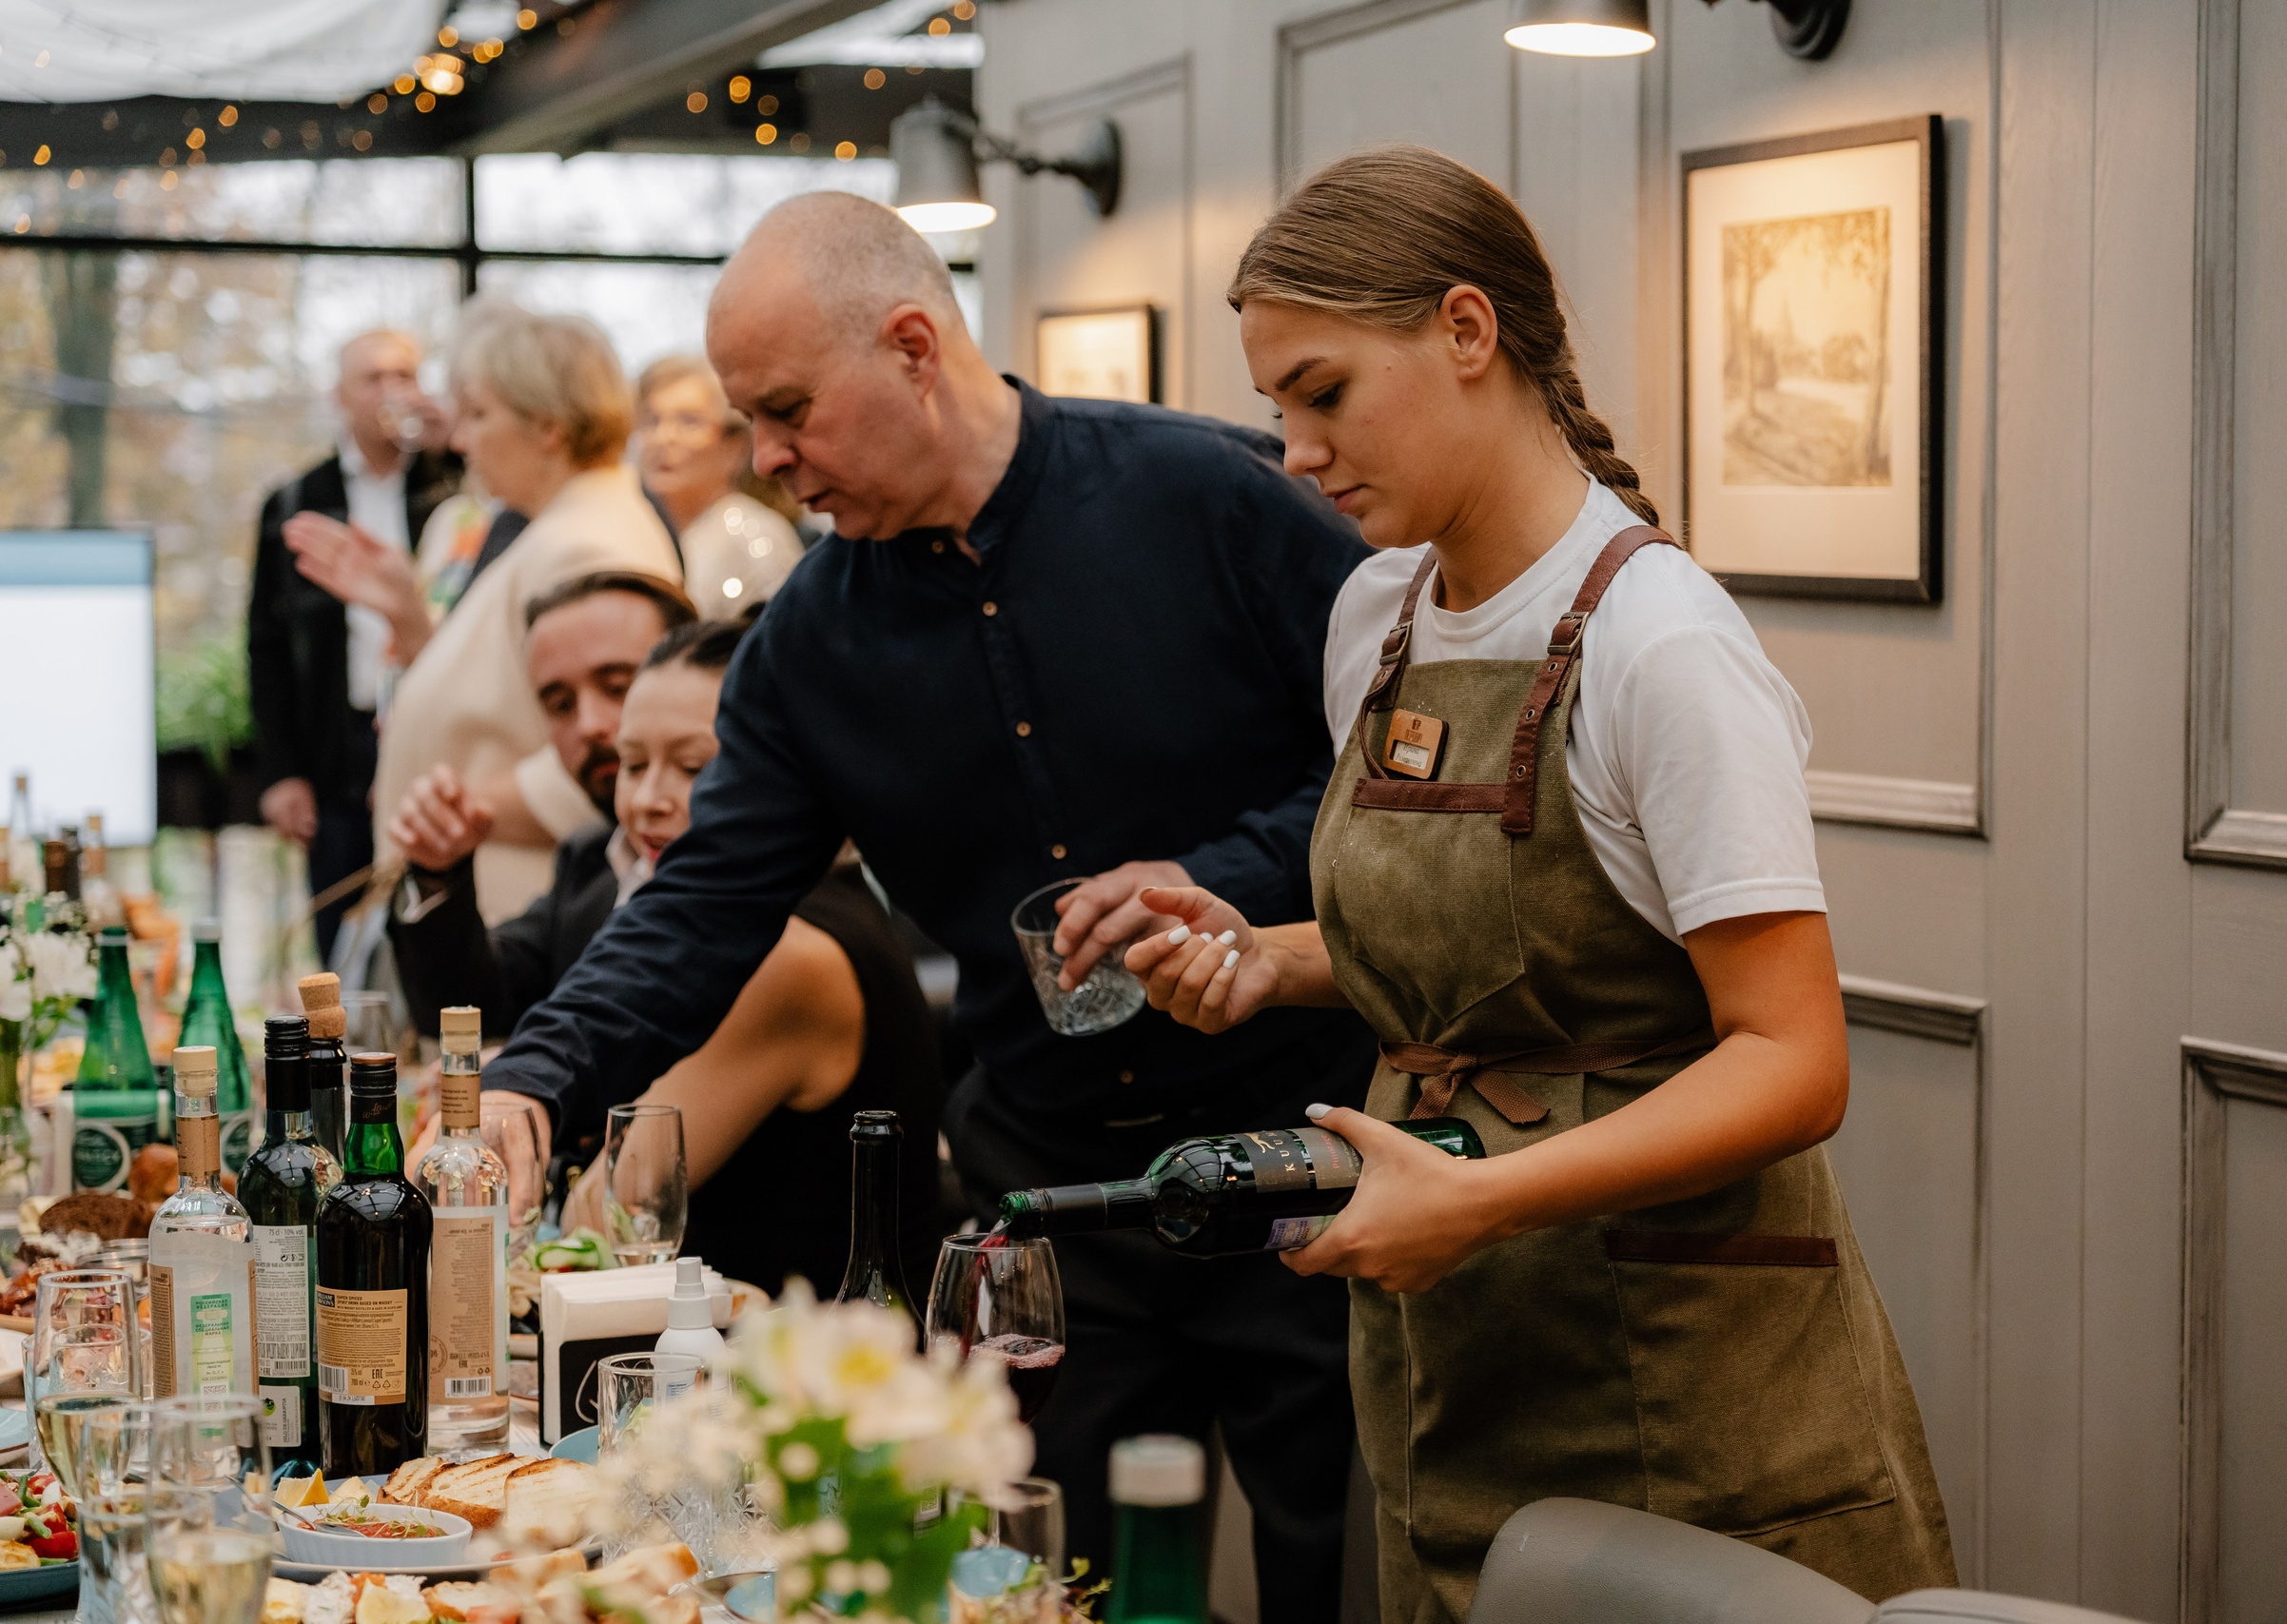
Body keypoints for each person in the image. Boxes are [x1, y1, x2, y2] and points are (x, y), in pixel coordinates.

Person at [462, 190, 1373, 1623]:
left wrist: (1224, 884)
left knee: (1340, 1586)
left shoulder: (1211, 497)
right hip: (1057, 1207)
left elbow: (1390, 767)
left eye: (787, 411)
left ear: (910, 346)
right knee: (1043, 1591)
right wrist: (539, 1070)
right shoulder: (808, 648)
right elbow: (701, 901)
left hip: (1309, 1158)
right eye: (749, 421)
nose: (766, 460)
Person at [1123, 146, 1956, 1616]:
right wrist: (1273, 959)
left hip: (1681, 1374)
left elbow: (1792, 1056)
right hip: (1456, 1357)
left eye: (1324, 393)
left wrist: (1486, 1199)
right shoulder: (1378, 616)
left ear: (1466, 329)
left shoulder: (1662, 644)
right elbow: (1508, 957)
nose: (1297, 452)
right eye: (1278, 409)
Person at [393, 587, 939, 1295]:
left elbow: (606, 1213)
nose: (649, 797)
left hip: (805, 1349)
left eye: (695, 768)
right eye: (632, 763)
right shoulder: (611, 869)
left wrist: (525, 1109)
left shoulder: (793, 953)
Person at [368, 299, 683, 922]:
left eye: (480, 414)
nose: (461, 439)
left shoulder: (590, 543)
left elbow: (616, 754)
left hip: (522, 916)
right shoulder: (557, 529)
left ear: (548, 427)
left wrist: (446, 814)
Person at [386, 571, 700, 1039]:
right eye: (560, 705)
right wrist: (436, 873)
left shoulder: (770, 882)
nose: (589, 725)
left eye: (618, 687)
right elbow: (467, 1007)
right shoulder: (592, 863)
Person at [248, 328, 458, 958]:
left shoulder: (452, 488)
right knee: (341, 934)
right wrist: (281, 772)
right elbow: (266, 646)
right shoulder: (297, 502)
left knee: (436, 928)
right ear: (340, 395)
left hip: (435, 736)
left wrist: (454, 446)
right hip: (338, 745)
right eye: (374, 378)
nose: (393, 391)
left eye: (405, 375)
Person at [635, 354, 806, 616]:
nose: (663, 437)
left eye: (689, 421)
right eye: (652, 421)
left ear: (734, 448)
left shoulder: (753, 539)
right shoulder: (647, 531)